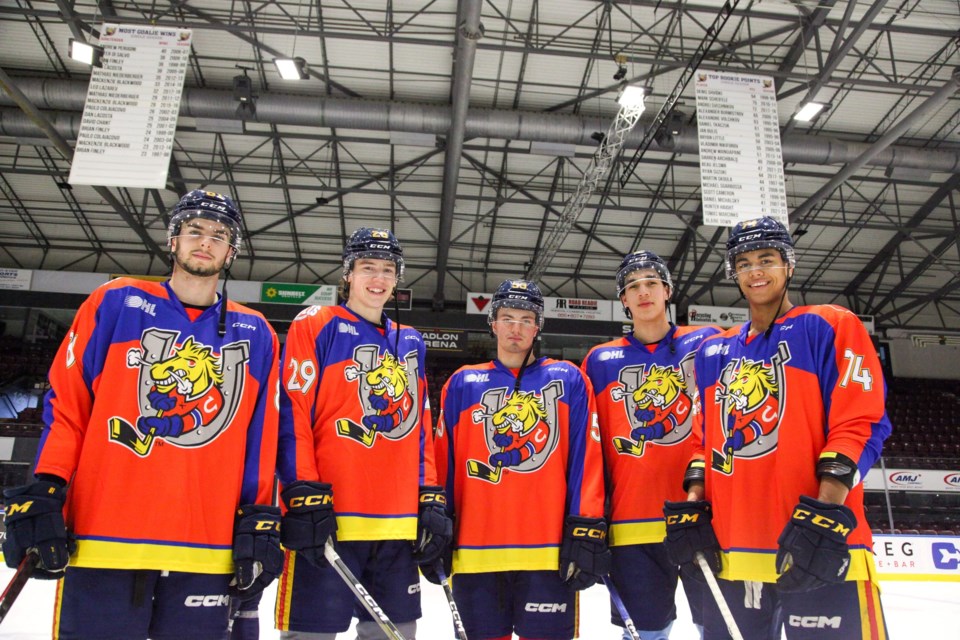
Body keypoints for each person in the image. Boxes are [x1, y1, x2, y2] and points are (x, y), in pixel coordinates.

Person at [2, 190, 282, 639]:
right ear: (173, 241)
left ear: (231, 251)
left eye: (219, 234)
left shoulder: (258, 333)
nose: (205, 241)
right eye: (194, 230)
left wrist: (259, 513)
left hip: (207, 546)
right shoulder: (115, 302)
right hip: (105, 539)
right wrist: (49, 484)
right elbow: (69, 404)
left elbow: (262, 439)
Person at [663, 216, 891, 639]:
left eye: (766, 259)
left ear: (789, 264)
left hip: (821, 547)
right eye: (744, 262)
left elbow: (862, 421)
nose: (755, 271)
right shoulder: (715, 351)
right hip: (735, 553)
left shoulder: (830, 326)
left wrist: (825, 514)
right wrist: (694, 502)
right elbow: (703, 441)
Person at [274, 227, 450, 639]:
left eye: (388, 270)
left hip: (396, 523)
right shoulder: (317, 323)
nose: (378, 278)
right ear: (348, 274)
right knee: (310, 633)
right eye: (368, 267)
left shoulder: (410, 341)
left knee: (396, 632)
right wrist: (302, 489)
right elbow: (293, 410)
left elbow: (420, 425)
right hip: (330, 517)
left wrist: (428, 493)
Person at [433, 279, 609, 640]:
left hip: (547, 553)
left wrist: (586, 525)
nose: (516, 328)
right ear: (493, 323)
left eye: (526, 319)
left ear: (538, 326)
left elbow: (585, 458)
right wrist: (436, 517)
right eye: (507, 318)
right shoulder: (462, 383)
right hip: (475, 552)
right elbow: (442, 464)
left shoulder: (569, 379)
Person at [583, 251, 720, 639]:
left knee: (716, 629)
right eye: (632, 287)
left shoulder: (706, 342)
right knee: (646, 634)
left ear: (668, 291)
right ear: (623, 300)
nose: (643, 292)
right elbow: (589, 443)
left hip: (703, 517)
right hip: (631, 526)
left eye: (651, 284)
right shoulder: (599, 360)